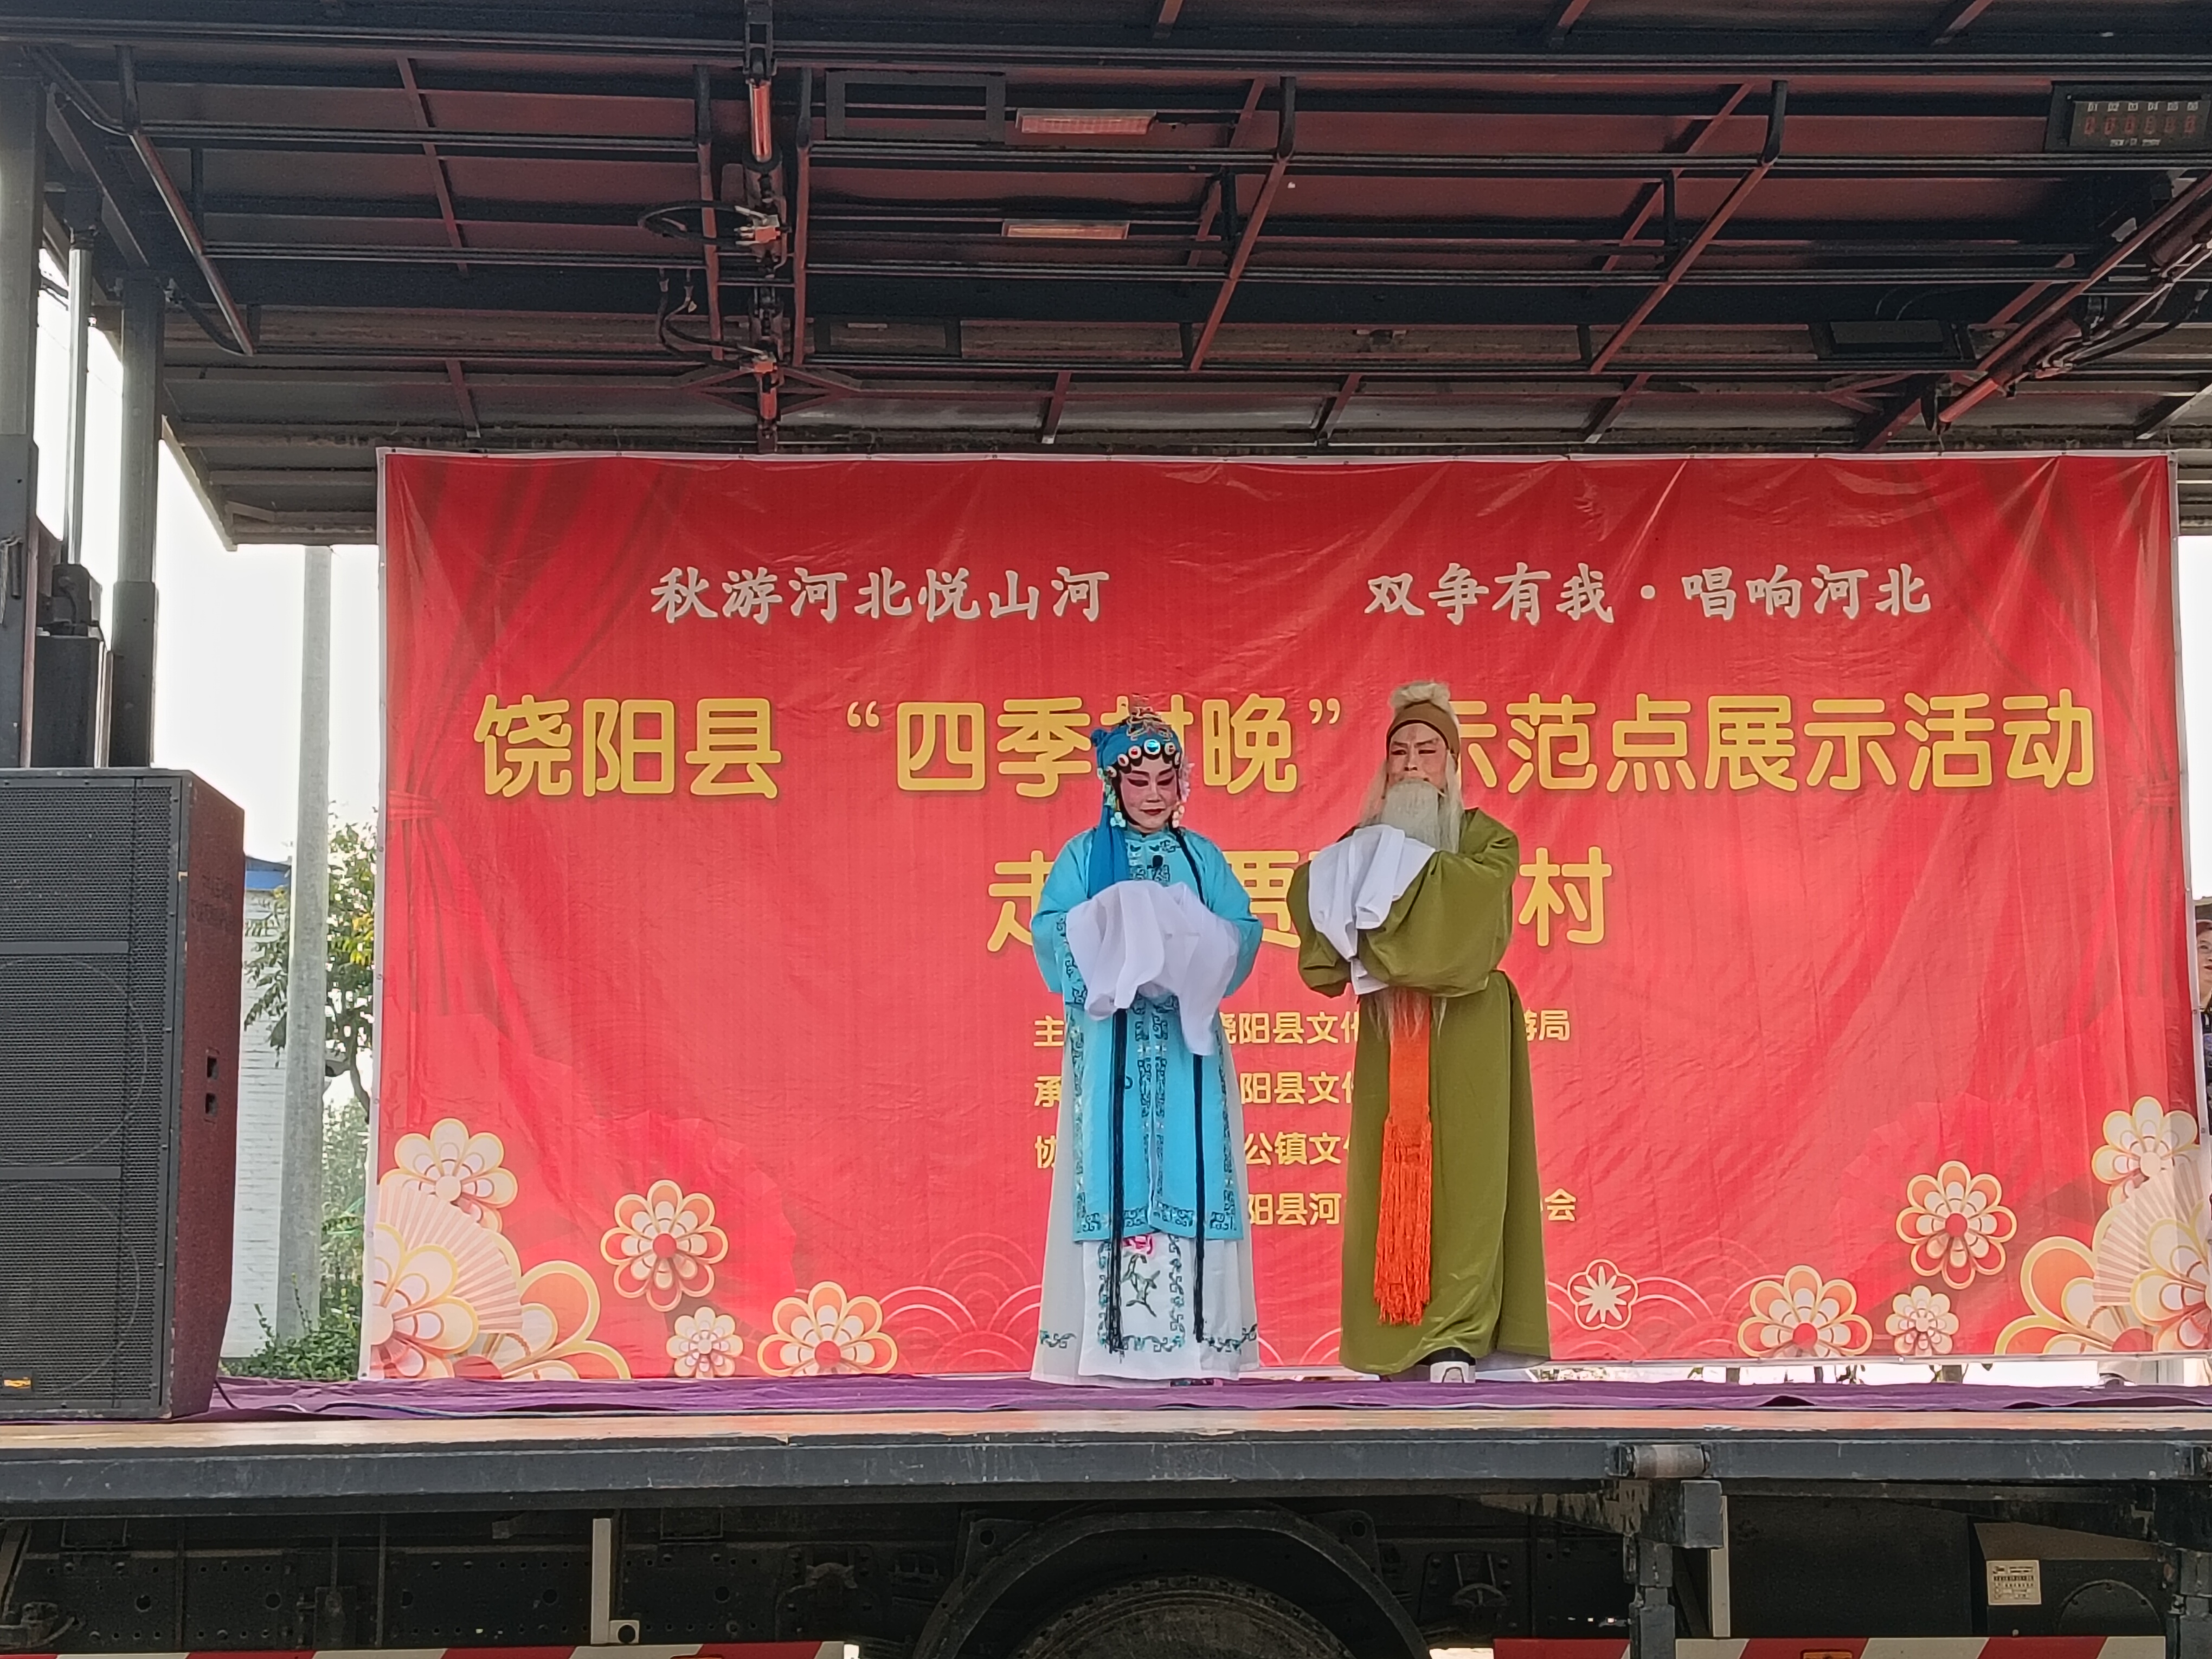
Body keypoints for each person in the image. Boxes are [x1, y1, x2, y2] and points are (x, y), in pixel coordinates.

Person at [1288, 680, 1549, 1379]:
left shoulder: (1487, 840)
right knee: (1387, 1180)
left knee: (1470, 1183)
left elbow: (1467, 902)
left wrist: (1392, 881)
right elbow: (1315, 902)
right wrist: (1361, 873)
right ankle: (1393, 1341)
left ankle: (1458, 1337)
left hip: (1469, 1024)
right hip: (1391, 1028)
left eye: (1427, 751)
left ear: (1452, 764)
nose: (1411, 765)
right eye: (1399, 752)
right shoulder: (1358, 846)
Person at [1030, 704, 1265, 1382]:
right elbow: (1051, 933)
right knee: (1112, 1168)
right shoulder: (1084, 857)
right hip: (1113, 1046)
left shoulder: (1201, 857)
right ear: (1114, 785)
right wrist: (1111, 928)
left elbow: (1242, 933)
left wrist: (1195, 944)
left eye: (1166, 781)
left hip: (1188, 1049)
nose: (1155, 795)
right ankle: (1110, 1345)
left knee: (1196, 1167)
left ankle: (1202, 1345)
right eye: (1139, 783)